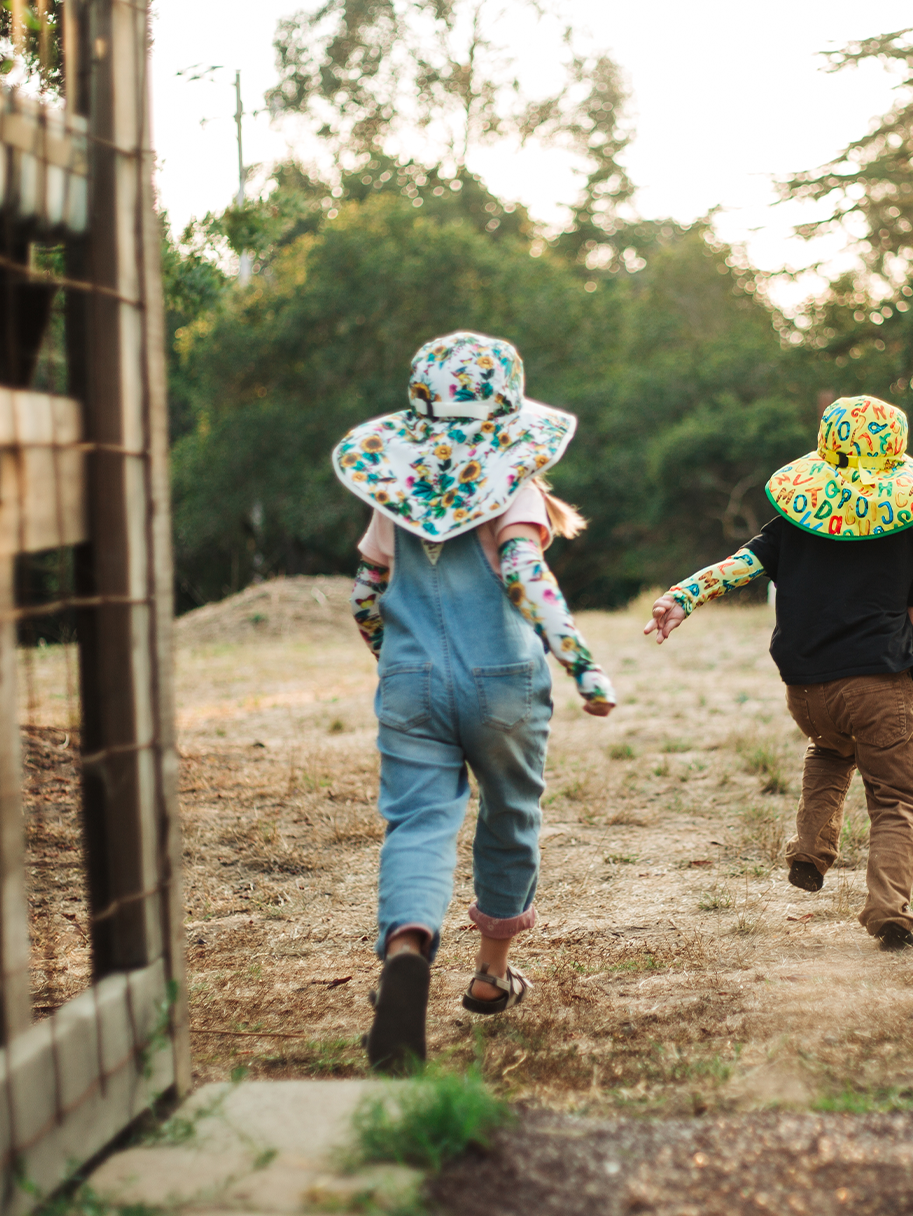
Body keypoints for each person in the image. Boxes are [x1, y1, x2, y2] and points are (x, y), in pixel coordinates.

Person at [335, 331, 616, 1074]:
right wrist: (582, 666)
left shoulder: (398, 497)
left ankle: (405, 954)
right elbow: (527, 576)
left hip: (410, 683)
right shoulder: (512, 485)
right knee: (510, 813)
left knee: (418, 825)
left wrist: (392, 656)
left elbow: (366, 595)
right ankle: (491, 974)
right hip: (504, 685)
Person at [645, 396, 913, 950]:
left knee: (831, 751)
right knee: (899, 799)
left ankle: (810, 850)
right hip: (877, 683)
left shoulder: (791, 525)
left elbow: (737, 568)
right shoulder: (909, 531)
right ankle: (888, 910)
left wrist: (680, 598)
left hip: (806, 690)